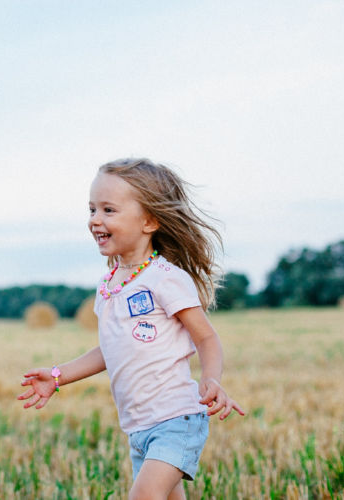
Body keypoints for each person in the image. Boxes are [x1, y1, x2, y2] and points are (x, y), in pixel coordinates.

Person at [17, 158, 246, 500]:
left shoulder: (166, 278)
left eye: (109, 210)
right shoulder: (109, 284)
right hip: (138, 428)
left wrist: (211, 379)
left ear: (149, 221)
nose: (95, 219)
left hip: (176, 419)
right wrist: (58, 375)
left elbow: (205, 336)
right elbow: (110, 348)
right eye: (92, 209)